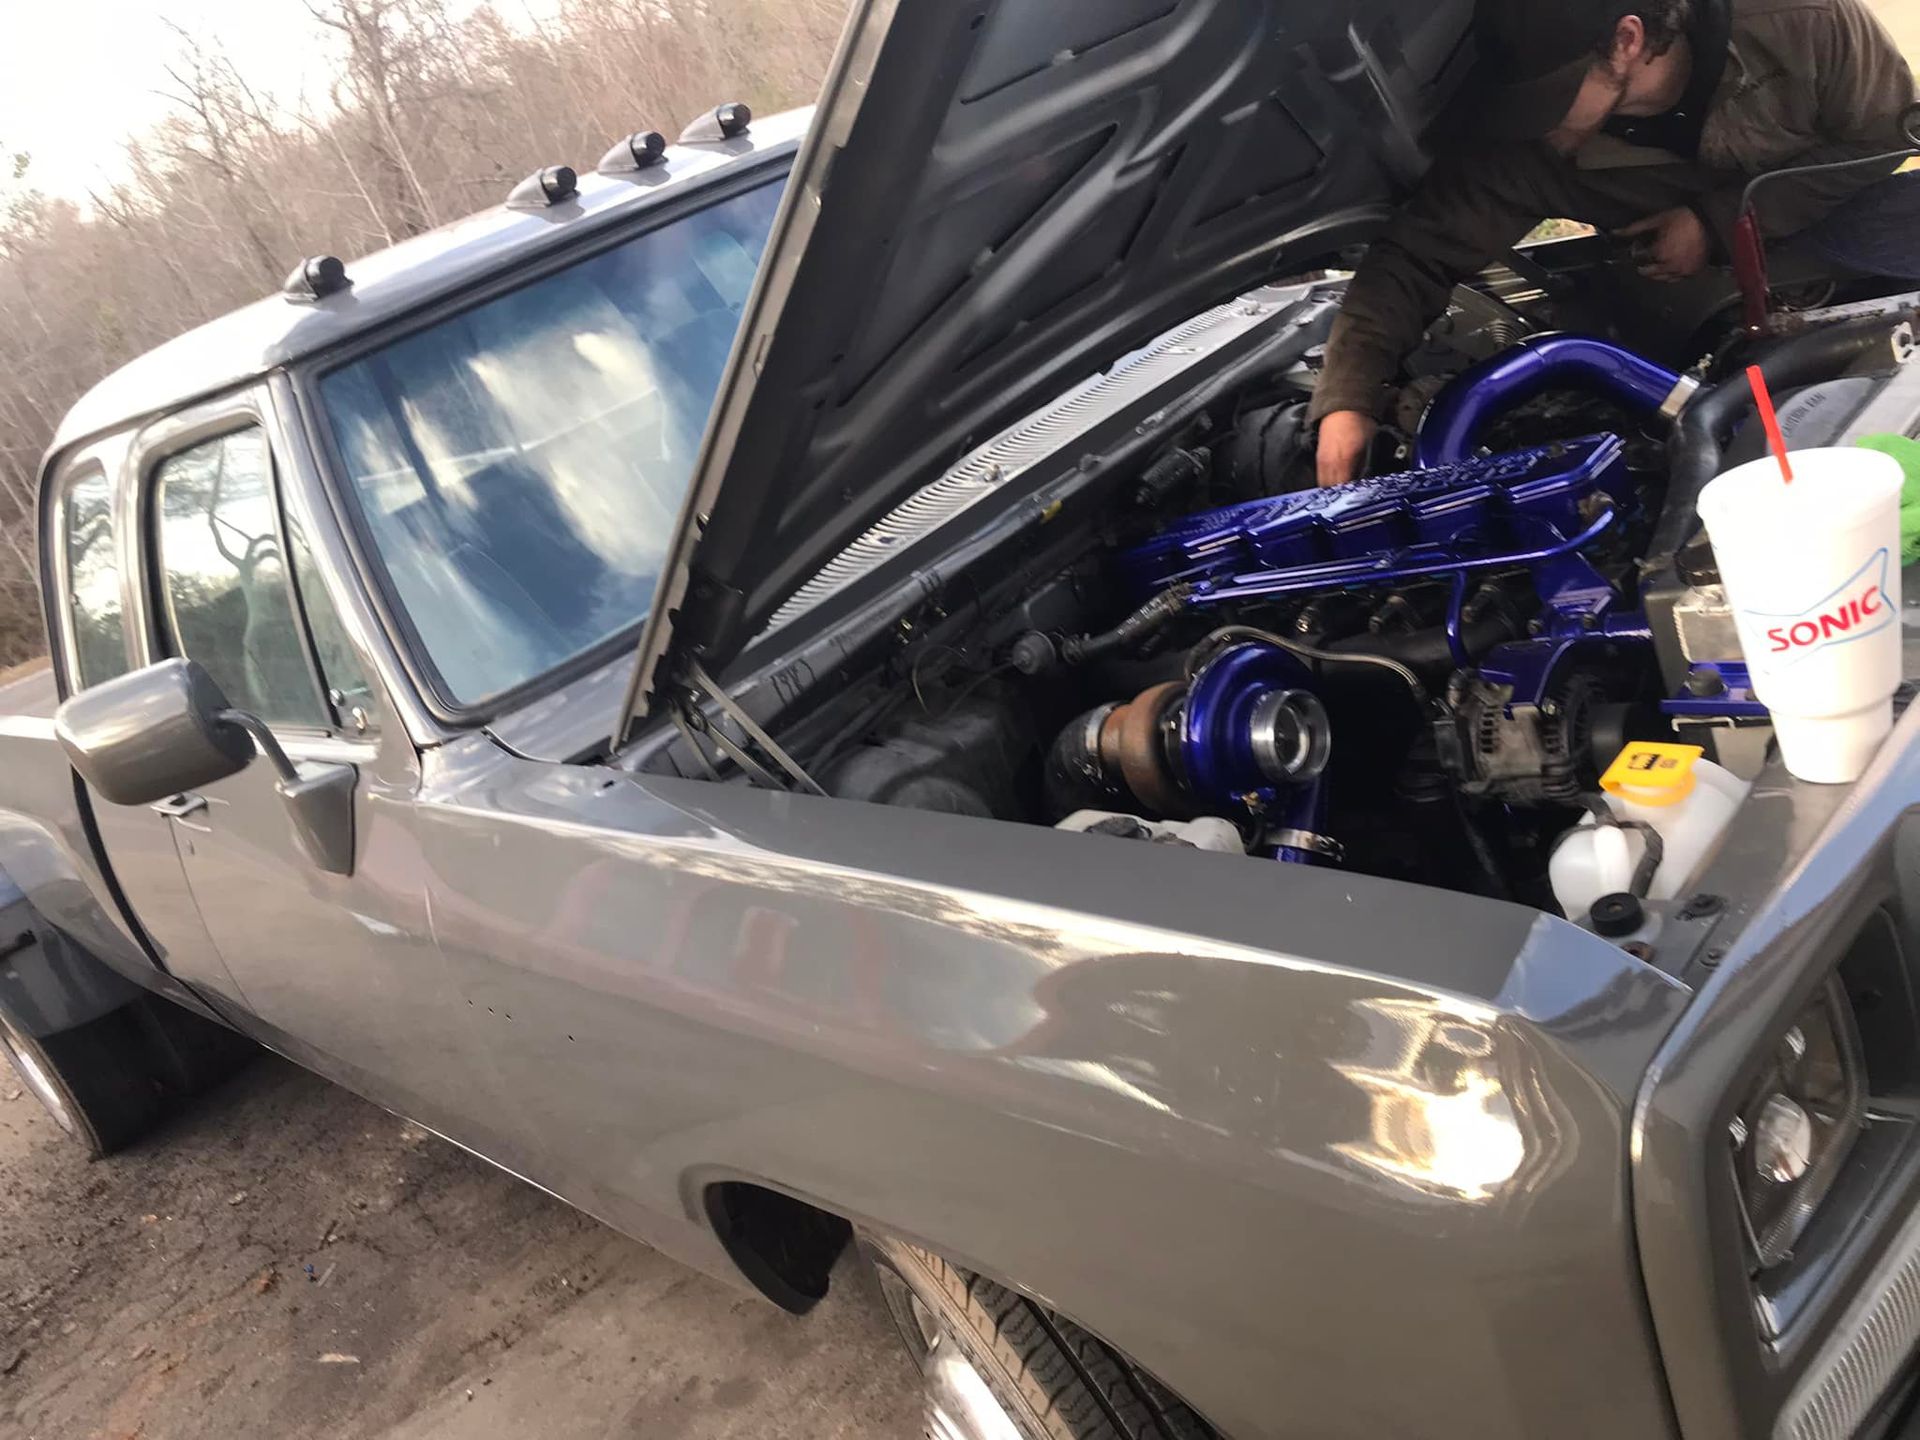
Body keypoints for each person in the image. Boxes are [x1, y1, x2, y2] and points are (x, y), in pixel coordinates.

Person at [1313, 0, 1919, 488]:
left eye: (1548, 96)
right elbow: (1417, 252)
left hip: (1850, 238)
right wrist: (1347, 400)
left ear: (1626, 40)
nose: (1534, 121)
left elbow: (1880, 139)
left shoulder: (1805, 21)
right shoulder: (1528, 147)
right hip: (1690, 300)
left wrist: (1713, 221)